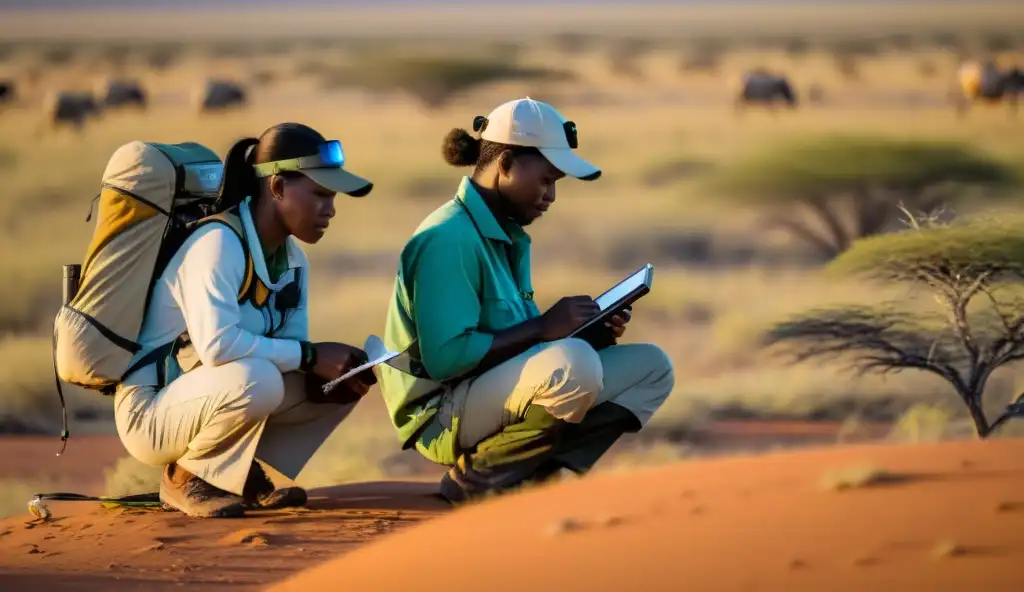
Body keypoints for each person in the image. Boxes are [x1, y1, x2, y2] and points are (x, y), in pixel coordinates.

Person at [377, 97, 675, 504]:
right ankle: (477, 480)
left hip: (488, 391)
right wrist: (543, 328)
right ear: (505, 165)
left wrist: (587, 335)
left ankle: (537, 477)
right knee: (575, 366)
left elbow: (521, 352)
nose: (551, 195)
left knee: (652, 368)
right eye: (546, 180)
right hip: (442, 413)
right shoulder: (448, 239)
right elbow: (446, 360)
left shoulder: (509, 233)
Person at [114, 123, 378, 518]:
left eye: (333, 197)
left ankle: (234, 471)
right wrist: (309, 356)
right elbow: (219, 347)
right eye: (320, 194)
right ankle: (186, 478)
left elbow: (290, 353)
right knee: (262, 379)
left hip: (207, 397)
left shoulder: (293, 260)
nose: (330, 209)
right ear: (276, 188)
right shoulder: (218, 242)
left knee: (336, 382)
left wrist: (329, 372)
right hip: (150, 413)